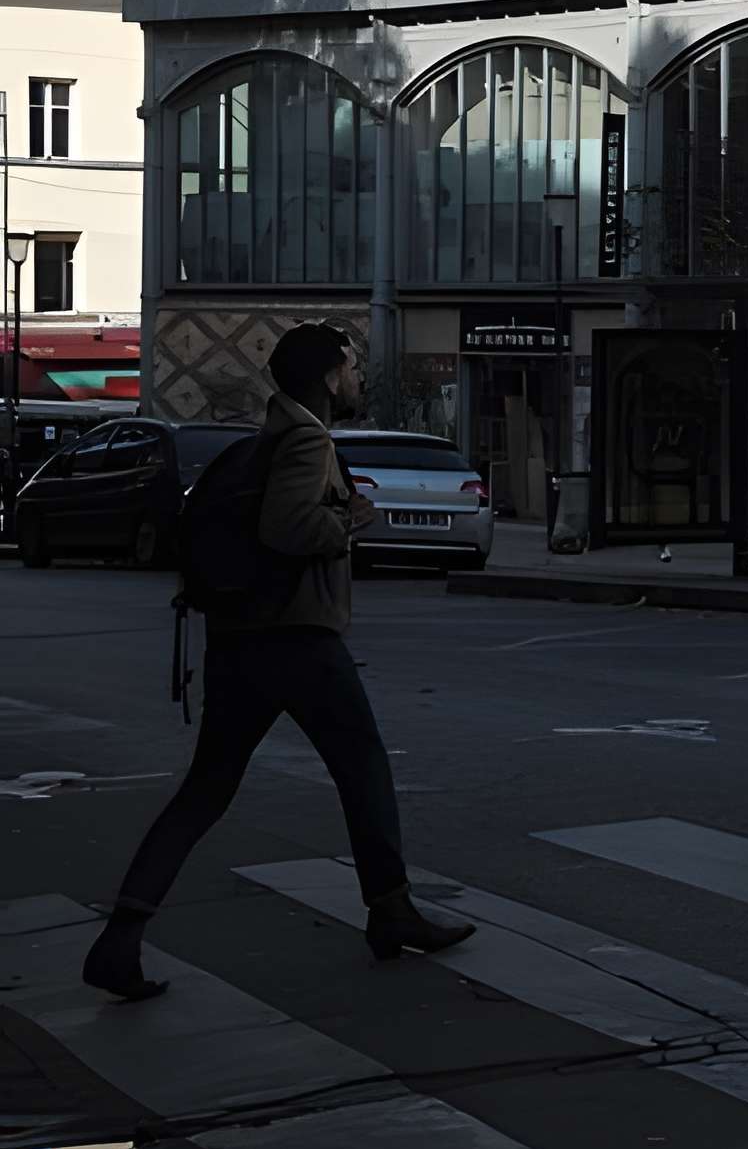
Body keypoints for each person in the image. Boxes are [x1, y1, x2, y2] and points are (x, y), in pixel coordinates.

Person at [83, 323, 473, 1000]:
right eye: (351, 367)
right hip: (296, 638)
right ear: (328, 377)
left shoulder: (267, 437)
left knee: (207, 788)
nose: (357, 378)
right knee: (363, 766)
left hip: (241, 638)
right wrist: (349, 520)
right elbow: (288, 528)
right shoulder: (306, 440)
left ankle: (120, 937)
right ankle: (391, 910)